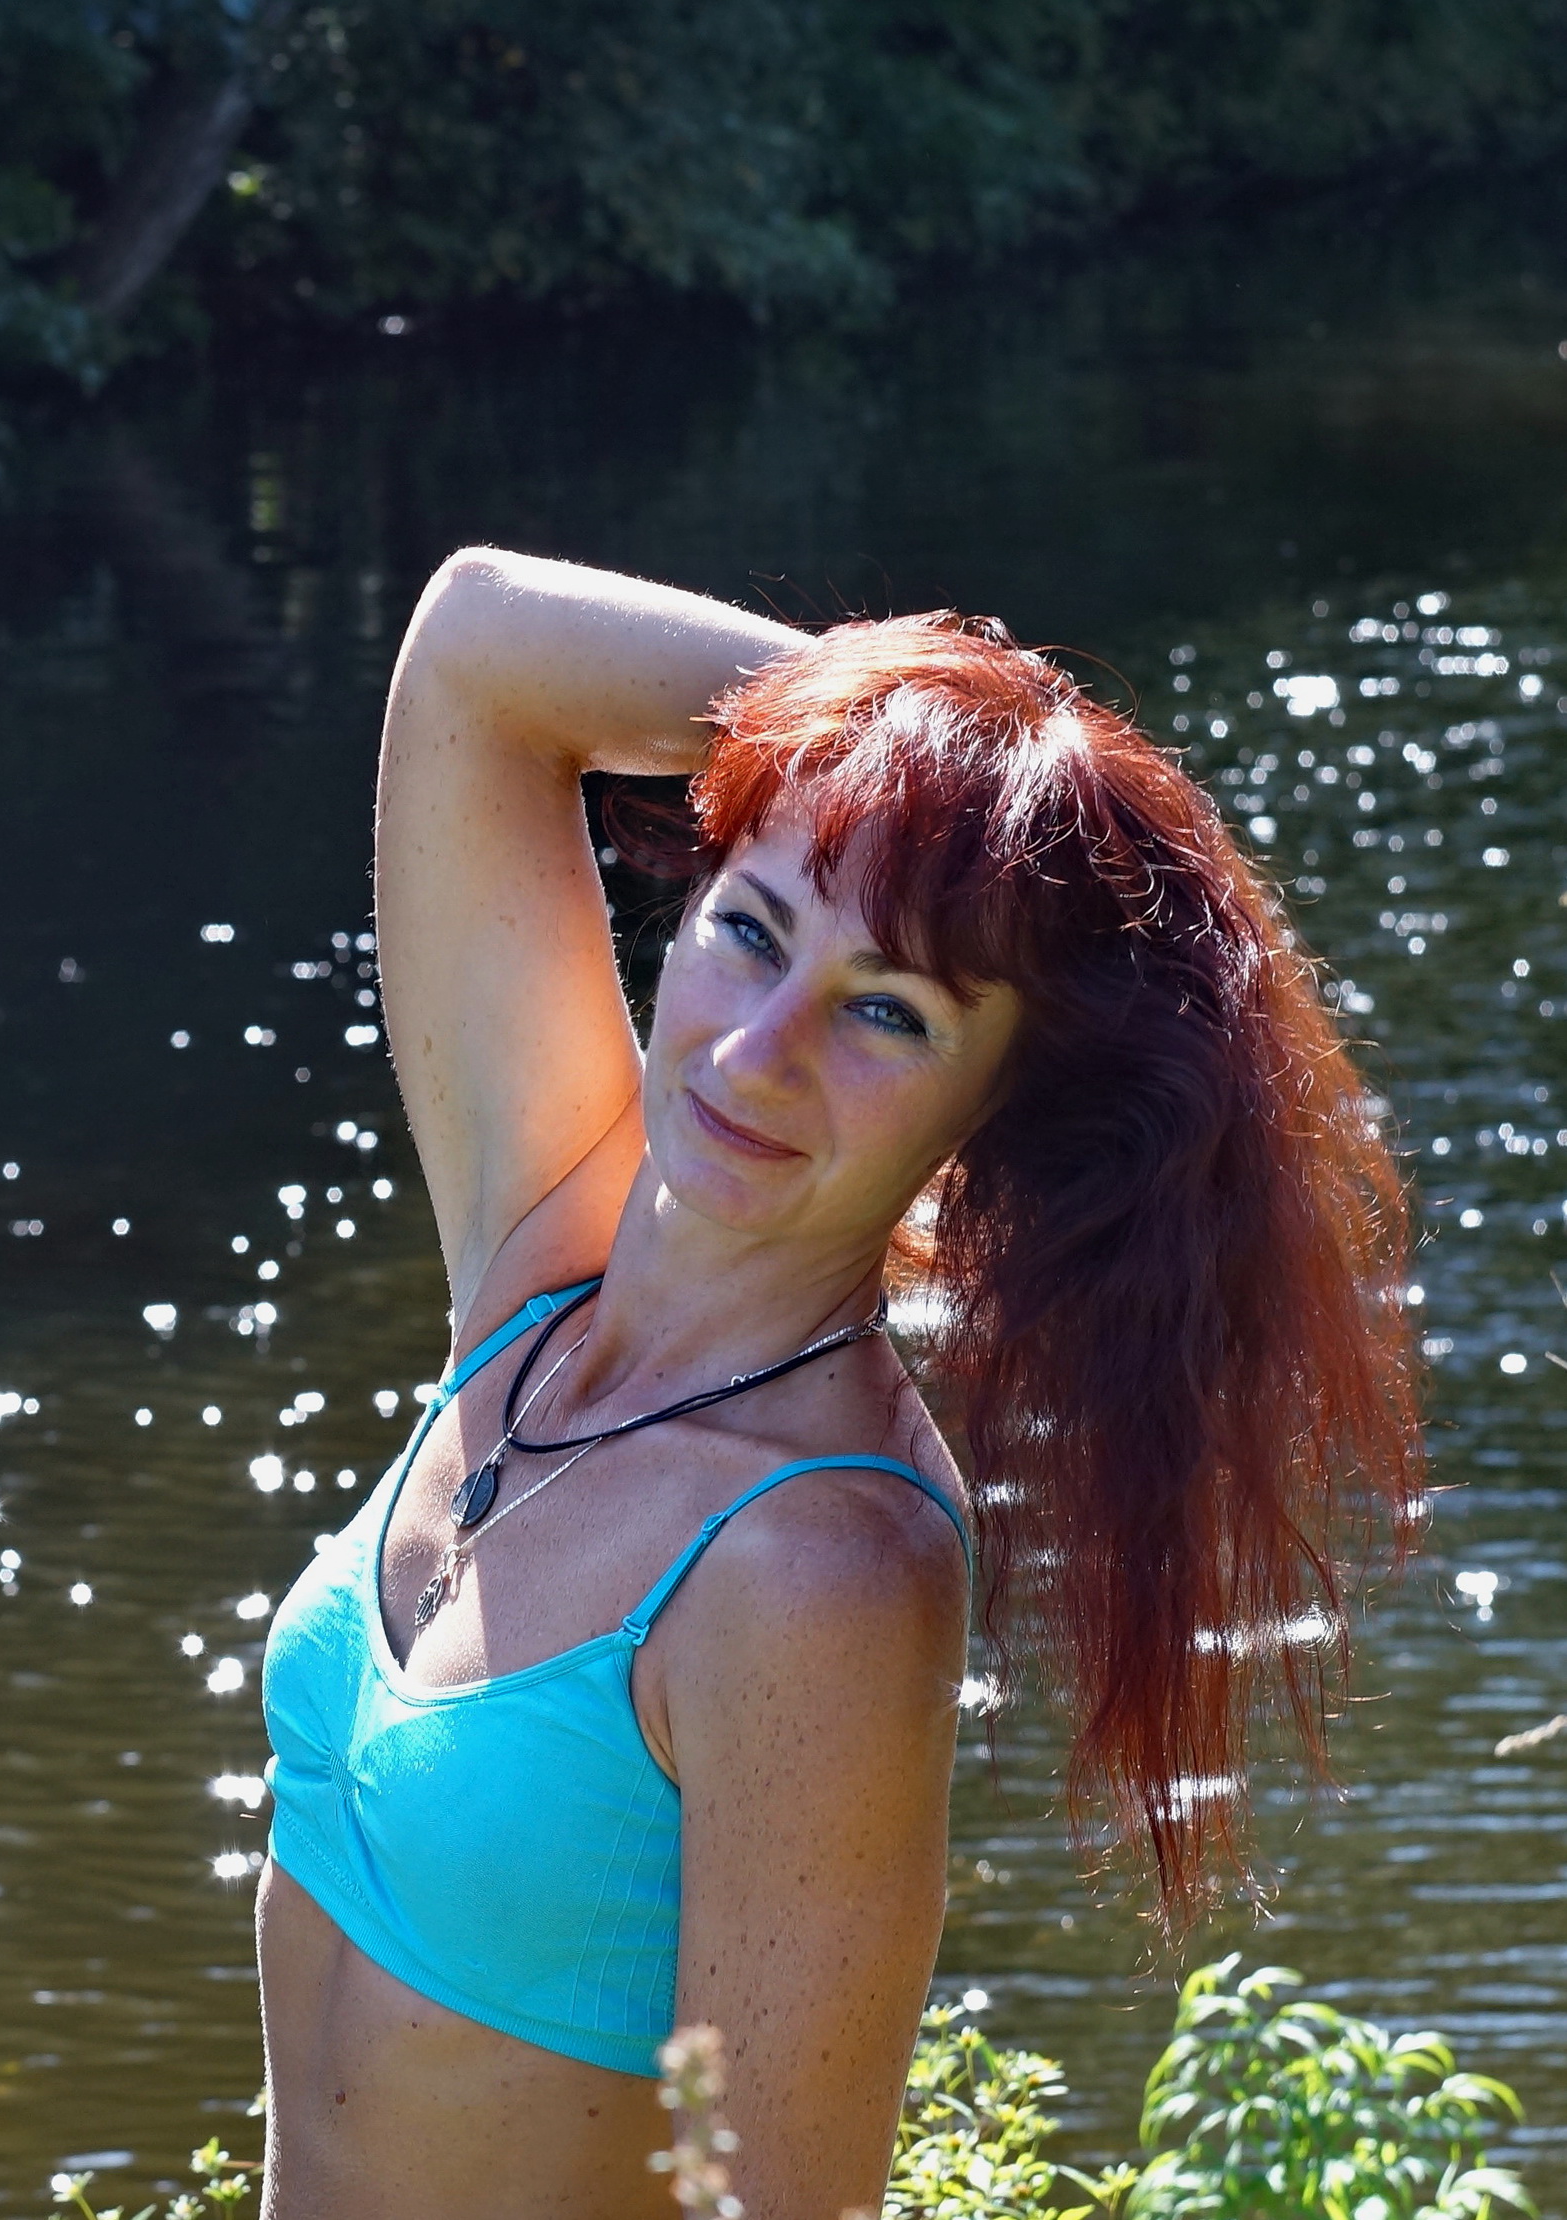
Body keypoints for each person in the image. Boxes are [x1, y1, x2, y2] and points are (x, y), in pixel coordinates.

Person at [254, 552, 1421, 2217]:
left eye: (888, 1013)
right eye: (751, 929)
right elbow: (477, 650)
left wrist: (1029, 840)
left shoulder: (815, 1569)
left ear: (996, 1110)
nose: (754, 1053)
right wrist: (920, 761)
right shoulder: (542, 1277)